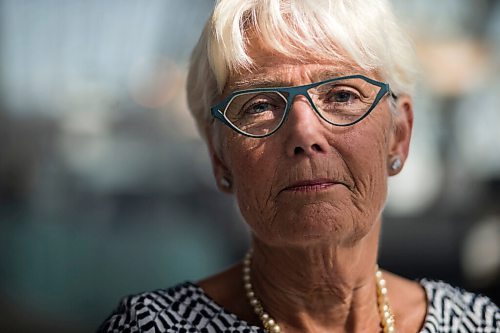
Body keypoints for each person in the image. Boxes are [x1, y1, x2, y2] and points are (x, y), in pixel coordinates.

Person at [98, 0, 499, 332]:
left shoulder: (478, 324)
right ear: (219, 157)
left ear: (399, 135)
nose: (305, 134)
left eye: (342, 95)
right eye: (259, 105)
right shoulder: (150, 327)